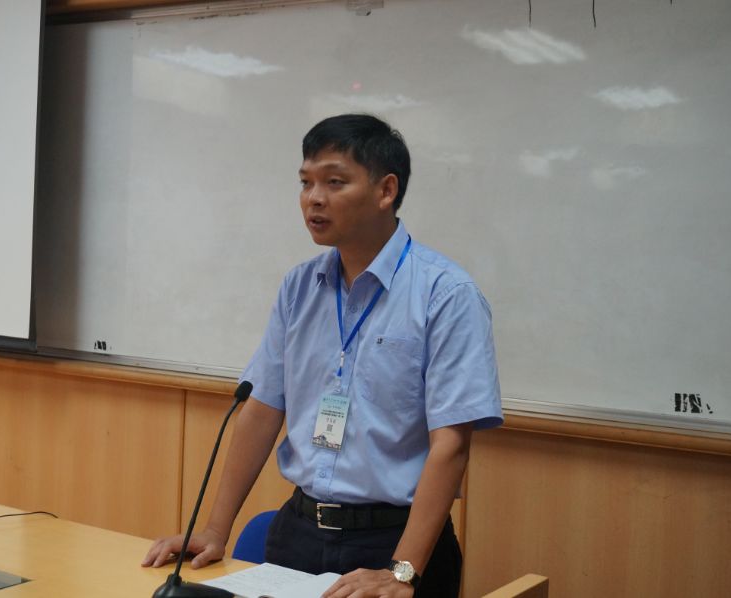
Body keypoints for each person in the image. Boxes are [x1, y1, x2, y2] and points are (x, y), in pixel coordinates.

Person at [142, 114, 502, 598]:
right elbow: (262, 409)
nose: (313, 198)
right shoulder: (300, 287)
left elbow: (451, 445)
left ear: (386, 190)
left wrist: (402, 572)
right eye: (305, 182)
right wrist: (214, 529)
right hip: (299, 531)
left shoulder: (446, 294)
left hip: (395, 540)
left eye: (334, 182)